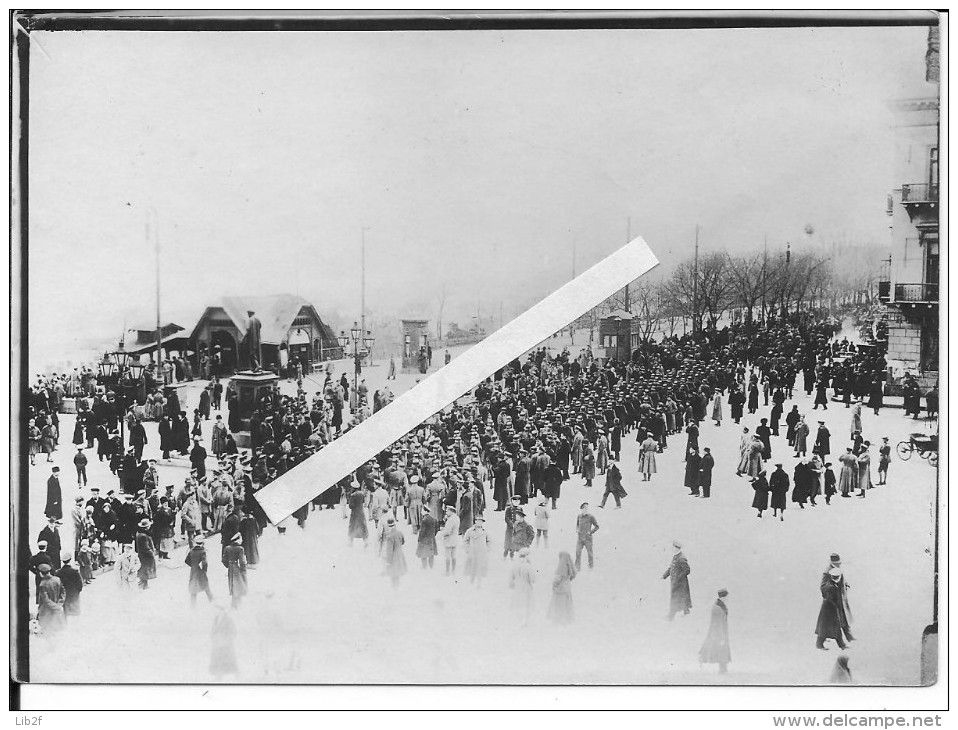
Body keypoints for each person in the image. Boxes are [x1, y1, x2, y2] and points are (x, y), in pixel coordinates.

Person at [699, 588, 731, 674]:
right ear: (723, 597)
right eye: (727, 597)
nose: (728, 599)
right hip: (718, 633)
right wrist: (721, 636)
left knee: (721, 651)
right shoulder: (717, 607)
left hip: (721, 632)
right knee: (720, 651)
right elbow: (718, 623)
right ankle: (722, 670)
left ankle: (723, 669)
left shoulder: (720, 605)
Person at [815, 568, 848, 650]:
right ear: (838, 577)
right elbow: (829, 599)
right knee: (831, 628)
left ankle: (820, 644)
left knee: (825, 628)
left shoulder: (831, 584)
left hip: (827, 611)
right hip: (830, 611)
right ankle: (841, 645)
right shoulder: (831, 587)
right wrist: (836, 607)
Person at [662, 540, 692, 620]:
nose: (671, 548)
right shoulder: (676, 556)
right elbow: (671, 568)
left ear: (676, 548)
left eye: (673, 547)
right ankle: (686, 611)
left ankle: (670, 617)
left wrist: (678, 578)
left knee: (675, 599)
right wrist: (664, 576)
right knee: (681, 598)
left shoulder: (681, 558)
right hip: (676, 583)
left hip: (679, 584)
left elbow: (687, 570)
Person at [547, 551, 577, 625]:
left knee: (560, 606)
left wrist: (554, 586)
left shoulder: (561, 567)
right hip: (567, 588)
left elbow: (558, 579)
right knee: (567, 605)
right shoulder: (569, 565)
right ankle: (568, 619)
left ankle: (560, 620)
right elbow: (573, 575)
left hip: (560, 590)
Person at [508, 547, 536, 627]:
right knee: (526, 605)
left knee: (517, 603)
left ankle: (517, 620)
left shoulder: (514, 565)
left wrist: (513, 585)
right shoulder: (528, 566)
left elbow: (510, 580)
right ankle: (525, 622)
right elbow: (533, 580)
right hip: (526, 588)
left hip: (517, 587)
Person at [35, 563, 66, 634]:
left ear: (41, 573)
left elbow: (46, 600)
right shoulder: (57, 579)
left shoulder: (43, 584)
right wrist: (60, 603)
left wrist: (56, 607)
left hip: (47, 611)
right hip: (57, 608)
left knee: (46, 630)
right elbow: (63, 591)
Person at [210, 606, 239, 679]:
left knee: (228, 660)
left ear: (223, 611)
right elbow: (213, 630)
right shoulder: (216, 619)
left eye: (219, 610)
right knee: (217, 660)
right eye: (216, 610)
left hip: (226, 645)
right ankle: (218, 676)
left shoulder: (228, 619)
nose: (217, 611)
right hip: (217, 643)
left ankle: (235, 675)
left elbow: (234, 631)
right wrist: (213, 637)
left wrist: (227, 639)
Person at [185, 535, 214, 607]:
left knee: (193, 587)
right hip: (200, 571)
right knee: (206, 586)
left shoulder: (191, 551)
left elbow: (186, 561)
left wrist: (193, 566)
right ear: (202, 543)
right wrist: (204, 570)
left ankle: (193, 605)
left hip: (193, 571)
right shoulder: (202, 551)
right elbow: (204, 563)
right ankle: (212, 601)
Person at [462, 515, 491, 586]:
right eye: (477, 520)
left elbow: (489, 541)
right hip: (473, 552)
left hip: (481, 552)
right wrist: (467, 549)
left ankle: (479, 582)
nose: (479, 522)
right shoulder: (470, 530)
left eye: (481, 521)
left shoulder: (485, 531)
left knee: (480, 568)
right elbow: (465, 540)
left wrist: (487, 549)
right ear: (475, 521)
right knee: (472, 567)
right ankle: (471, 582)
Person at [223, 533, 248, 608]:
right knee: (240, 584)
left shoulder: (227, 548)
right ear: (237, 540)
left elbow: (224, 559)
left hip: (230, 568)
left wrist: (228, 565)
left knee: (232, 584)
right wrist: (243, 570)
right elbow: (242, 561)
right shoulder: (240, 549)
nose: (242, 540)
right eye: (240, 539)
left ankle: (234, 602)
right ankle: (236, 603)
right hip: (237, 568)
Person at [382, 517, 407, 589]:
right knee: (398, 574)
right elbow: (403, 542)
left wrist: (388, 561)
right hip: (400, 556)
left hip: (393, 558)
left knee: (393, 574)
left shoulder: (389, 536)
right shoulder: (400, 533)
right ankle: (397, 587)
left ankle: (395, 590)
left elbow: (389, 550)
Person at [55, 554, 83, 618]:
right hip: (73, 594)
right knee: (74, 613)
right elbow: (79, 583)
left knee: (65, 611)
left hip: (63, 594)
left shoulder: (58, 572)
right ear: (70, 560)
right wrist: (78, 590)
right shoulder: (75, 571)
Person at [135, 518, 156, 590]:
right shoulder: (143, 536)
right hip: (146, 556)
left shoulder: (140, 534)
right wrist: (151, 553)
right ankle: (142, 585)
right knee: (145, 570)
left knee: (144, 570)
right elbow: (146, 547)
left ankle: (144, 585)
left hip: (142, 555)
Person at [440, 505, 461, 575]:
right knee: (454, 556)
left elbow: (447, 531)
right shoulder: (456, 518)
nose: (446, 512)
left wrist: (440, 534)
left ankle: (447, 571)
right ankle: (453, 571)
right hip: (455, 539)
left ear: (451, 511)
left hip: (449, 540)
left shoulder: (450, 519)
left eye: (447, 511)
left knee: (448, 556)